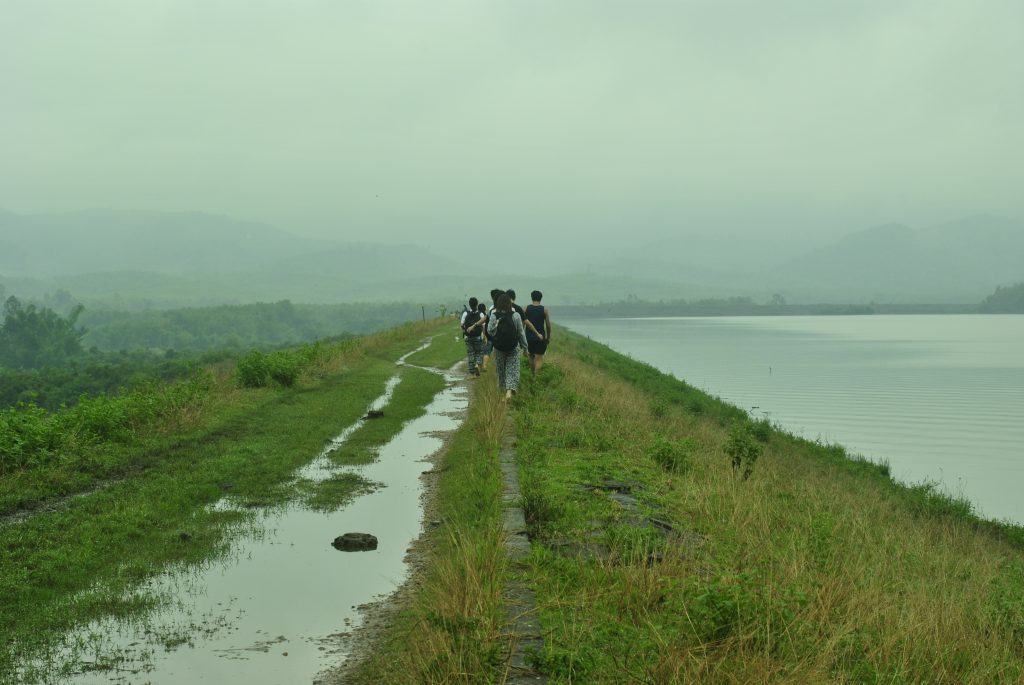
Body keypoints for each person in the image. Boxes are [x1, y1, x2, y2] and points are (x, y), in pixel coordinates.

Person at [487, 293, 528, 401]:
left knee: (501, 370)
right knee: (513, 369)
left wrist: (497, 334)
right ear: (510, 303)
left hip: (499, 347)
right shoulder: (516, 315)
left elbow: (489, 330)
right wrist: (525, 348)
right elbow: (521, 333)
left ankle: (503, 393)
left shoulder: (494, 315)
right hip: (513, 347)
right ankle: (509, 391)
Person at [524, 290, 551, 375]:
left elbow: (523, 324)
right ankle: (536, 377)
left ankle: (532, 375)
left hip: (528, 337)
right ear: (540, 298)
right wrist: (548, 337)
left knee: (531, 356)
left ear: (531, 298)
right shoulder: (544, 310)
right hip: (541, 338)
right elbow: (548, 326)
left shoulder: (526, 309)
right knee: (539, 358)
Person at [460, 297, 485, 376]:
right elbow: (483, 326)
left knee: (470, 353)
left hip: (468, 337)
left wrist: (465, 331)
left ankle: (472, 371)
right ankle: (477, 364)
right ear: (477, 304)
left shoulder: (465, 313)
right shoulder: (481, 314)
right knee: (479, 352)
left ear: (469, 304)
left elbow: (462, 325)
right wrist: (484, 336)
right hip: (478, 336)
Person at [480, 288, 503, 373]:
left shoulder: (491, 309)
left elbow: (486, 320)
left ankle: (485, 365)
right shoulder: (505, 307)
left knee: (487, 351)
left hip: (490, 334)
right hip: (500, 335)